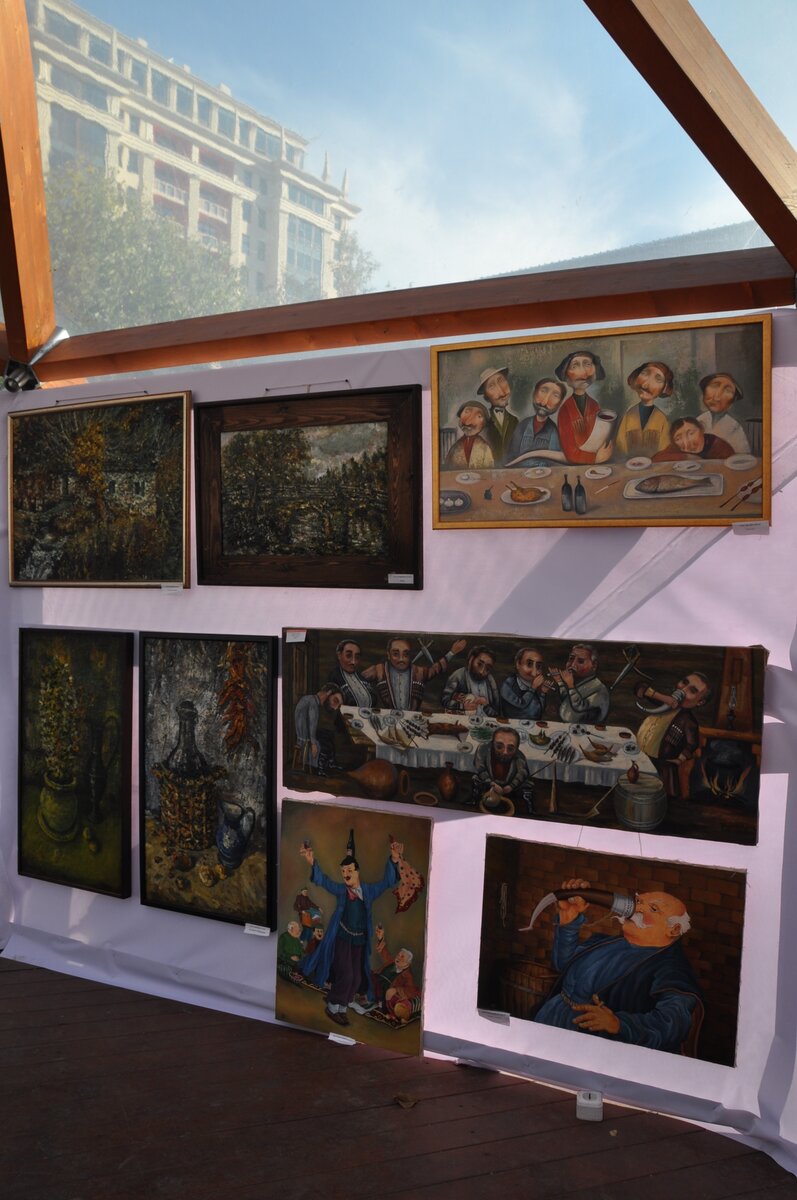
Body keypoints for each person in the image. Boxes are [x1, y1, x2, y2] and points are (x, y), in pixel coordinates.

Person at [534, 878, 702, 1053]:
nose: (636, 909)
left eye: (653, 909)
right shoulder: (604, 942)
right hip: (550, 1025)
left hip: (590, 1048)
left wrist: (619, 1024)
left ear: (674, 930)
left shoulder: (672, 970)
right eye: (638, 902)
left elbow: (673, 1023)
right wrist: (568, 920)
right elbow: (562, 966)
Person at [297, 830, 403, 1026]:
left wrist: (394, 859)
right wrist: (312, 863)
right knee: (346, 975)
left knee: (356, 978)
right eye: (343, 871)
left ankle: (341, 1009)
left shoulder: (369, 891)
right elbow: (325, 882)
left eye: (349, 871)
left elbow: (388, 882)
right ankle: (332, 1006)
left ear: (357, 872)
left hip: (360, 940)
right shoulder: (341, 891)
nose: (345, 874)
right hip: (342, 938)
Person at [635, 671, 711, 800]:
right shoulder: (663, 703)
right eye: (684, 682)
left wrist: (679, 759)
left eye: (692, 690)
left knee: (658, 798)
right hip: (640, 759)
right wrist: (663, 698)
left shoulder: (688, 721)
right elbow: (639, 688)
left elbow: (692, 744)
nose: (683, 689)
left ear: (700, 702)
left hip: (661, 767)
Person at [362, 635, 466, 711]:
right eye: (396, 654)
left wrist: (452, 652)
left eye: (406, 654)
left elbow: (436, 668)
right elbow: (358, 680)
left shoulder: (419, 672)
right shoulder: (379, 670)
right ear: (388, 655)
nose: (401, 659)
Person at [554, 349, 613, 465]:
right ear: (566, 375)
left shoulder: (594, 405)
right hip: (577, 466)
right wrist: (595, 458)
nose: (583, 372)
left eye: (587, 364)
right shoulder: (565, 410)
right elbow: (570, 451)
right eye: (575, 366)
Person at [614, 361, 674, 458]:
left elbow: (665, 452)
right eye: (644, 374)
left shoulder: (662, 420)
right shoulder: (629, 416)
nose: (646, 385)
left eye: (658, 379)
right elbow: (620, 447)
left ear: (664, 387)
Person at [505, 378, 567, 467]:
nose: (545, 401)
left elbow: (554, 465)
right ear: (534, 394)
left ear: (559, 403)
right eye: (543, 391)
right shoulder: (523, 426)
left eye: (555, 395)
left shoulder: (554, 432)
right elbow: (510, 458)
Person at [471, 727, 534, 814]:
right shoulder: (483, 749)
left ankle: (529, 808)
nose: (505, 752)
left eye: (510, 748)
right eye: (499, 746)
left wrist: (511, 786)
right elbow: (480, 768)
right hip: (489, 784)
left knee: (528, 786)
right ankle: (473, 800)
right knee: (475, 780)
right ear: (492, 743)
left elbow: (522, 772)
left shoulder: (520, 757)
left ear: (516, 748)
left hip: (509, 787)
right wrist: (492, 784)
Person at [372, 924, 421, 1024]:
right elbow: (384, 953)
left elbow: (410, 989)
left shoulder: (407, 975)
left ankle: (401, 1013)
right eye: (398, 955)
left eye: (402, 957)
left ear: (408, 963)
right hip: (377, 983)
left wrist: (395, 990)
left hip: (386, 992)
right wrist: (380, 938)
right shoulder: (392, 962)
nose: (398, 957)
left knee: (396, 1001)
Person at [549, 644, 610, 725]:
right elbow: (567, 697)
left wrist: (570, 686)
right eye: (571, 659)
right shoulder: (579, 682)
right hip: (568, 726)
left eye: (580, 661)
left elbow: (580, 706)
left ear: (594, 665)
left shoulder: (599, 689)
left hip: (586, 729)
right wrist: (560, 681)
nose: (572, 665)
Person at [293, 683, 344, 774]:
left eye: (339, 705)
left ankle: (331, 763)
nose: (336, 708)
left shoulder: (309, 698)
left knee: (328, 733)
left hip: (303, 734)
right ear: (329, 693)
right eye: (335, 700)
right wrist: (313, 744)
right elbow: (312, 725)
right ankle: (320, 769)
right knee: (324, 739)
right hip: (305, 738)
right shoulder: (313, 703)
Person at [696, 372, 751, 454]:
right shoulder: (698, 421)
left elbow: (743, 456)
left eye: (728, 390)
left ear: (732, 401)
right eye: (714, 386)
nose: (717, 397)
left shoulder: (734, 427)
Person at [476, 366, 518, 465]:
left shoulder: (515, 421)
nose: (501, 392)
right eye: (491, 386)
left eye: (501, 381)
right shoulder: (482, 422)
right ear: (486, 396)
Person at [441, 645, 500, 715]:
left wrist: (486, 706)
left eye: (487, 669)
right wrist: (462, 706)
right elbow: (444, 701)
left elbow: (496, 713)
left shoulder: (490, 681)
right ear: (471, 659)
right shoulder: (458, 675)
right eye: (479, 664)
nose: (481, 671)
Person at [500, 645, 553, 720]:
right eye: (529, 664)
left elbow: (539, 709)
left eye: (538, 666)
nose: (534, 673)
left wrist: (543, 693)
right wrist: (533, 688)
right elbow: (521, 704)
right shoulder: (507, 685)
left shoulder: (532, 685)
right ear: (518, 664)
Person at [652, 416, 734, 461]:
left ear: (702, 429)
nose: (686, 442)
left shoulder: (717, 445)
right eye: (678, 439)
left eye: (691, 433)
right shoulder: (675, 447)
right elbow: (655, 459)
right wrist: (685, 457)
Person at [443, 401, 496, 469]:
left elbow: (489, 469)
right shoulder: (455, 448)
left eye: (479, 416)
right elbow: (448, 467)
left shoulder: (485, 448)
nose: (469, 421)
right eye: (466, 412)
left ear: (484, 423)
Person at [328, 638, 374, 708]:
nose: (353, 662)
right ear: (339, 655)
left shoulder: (361, 676)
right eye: (348, 656)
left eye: (357, 657)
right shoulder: (335, 676)